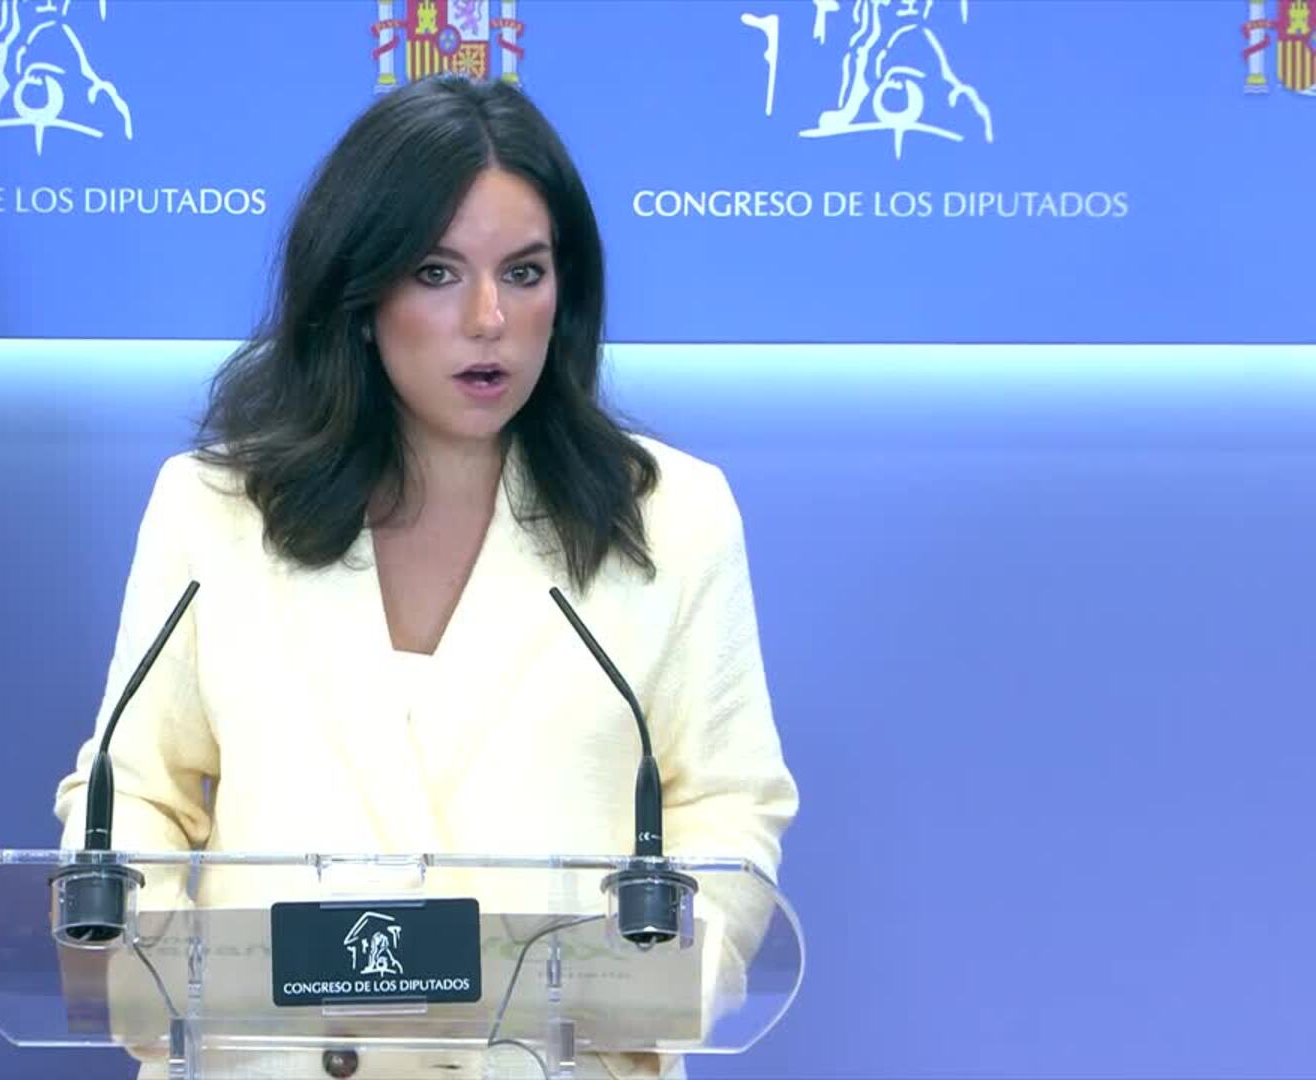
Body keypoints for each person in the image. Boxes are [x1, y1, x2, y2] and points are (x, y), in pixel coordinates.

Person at [55, 74, 798, 1079]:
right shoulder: (214, 510)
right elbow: (134, 794)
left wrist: (650, 987)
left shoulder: (670, 516)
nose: (489, 318)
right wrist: (147, 978)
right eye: (439, 272)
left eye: (525, 272)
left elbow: (727, 803)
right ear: (360, 296)